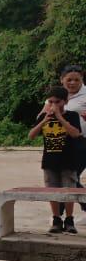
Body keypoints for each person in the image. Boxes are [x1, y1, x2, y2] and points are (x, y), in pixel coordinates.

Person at [30, 85, 83, 235]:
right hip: (49, 161)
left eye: (57, 102)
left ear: (65, 101)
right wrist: (43, 120)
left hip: (68, 160)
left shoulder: (72, 115)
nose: (54, 105)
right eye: (51, 102)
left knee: (69, 191)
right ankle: (56, 219)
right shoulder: (44, 117)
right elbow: (31, 135)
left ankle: (70, 219)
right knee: (51, 191)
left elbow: (75, 133)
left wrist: (60, 118)